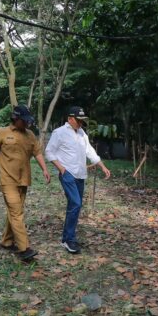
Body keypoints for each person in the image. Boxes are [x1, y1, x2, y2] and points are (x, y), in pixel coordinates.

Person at [0, 105, 51, 262]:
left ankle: (6, 242)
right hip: (8, 180)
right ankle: (24, 248)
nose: (27, 124)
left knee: (15, 211)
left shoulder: (30, 135)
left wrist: (45, 169)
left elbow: (37, 153)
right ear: (16, 118)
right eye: (25, 121)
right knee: (17, 212)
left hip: (24, 180)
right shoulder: (2, 133)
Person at [45, 106, 111, 254]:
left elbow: (90, 151)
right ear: (70, 119)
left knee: (74, 205)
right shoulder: (59, 133)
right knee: (76, 203)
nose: (81, 123)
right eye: (78, 120)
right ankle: (69, 240)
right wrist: (61, 169)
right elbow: (49, 152)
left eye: (82, 120)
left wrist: (102, 166)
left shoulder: (82, 133)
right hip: (67, 174)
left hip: (81, 174)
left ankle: (66, 238)